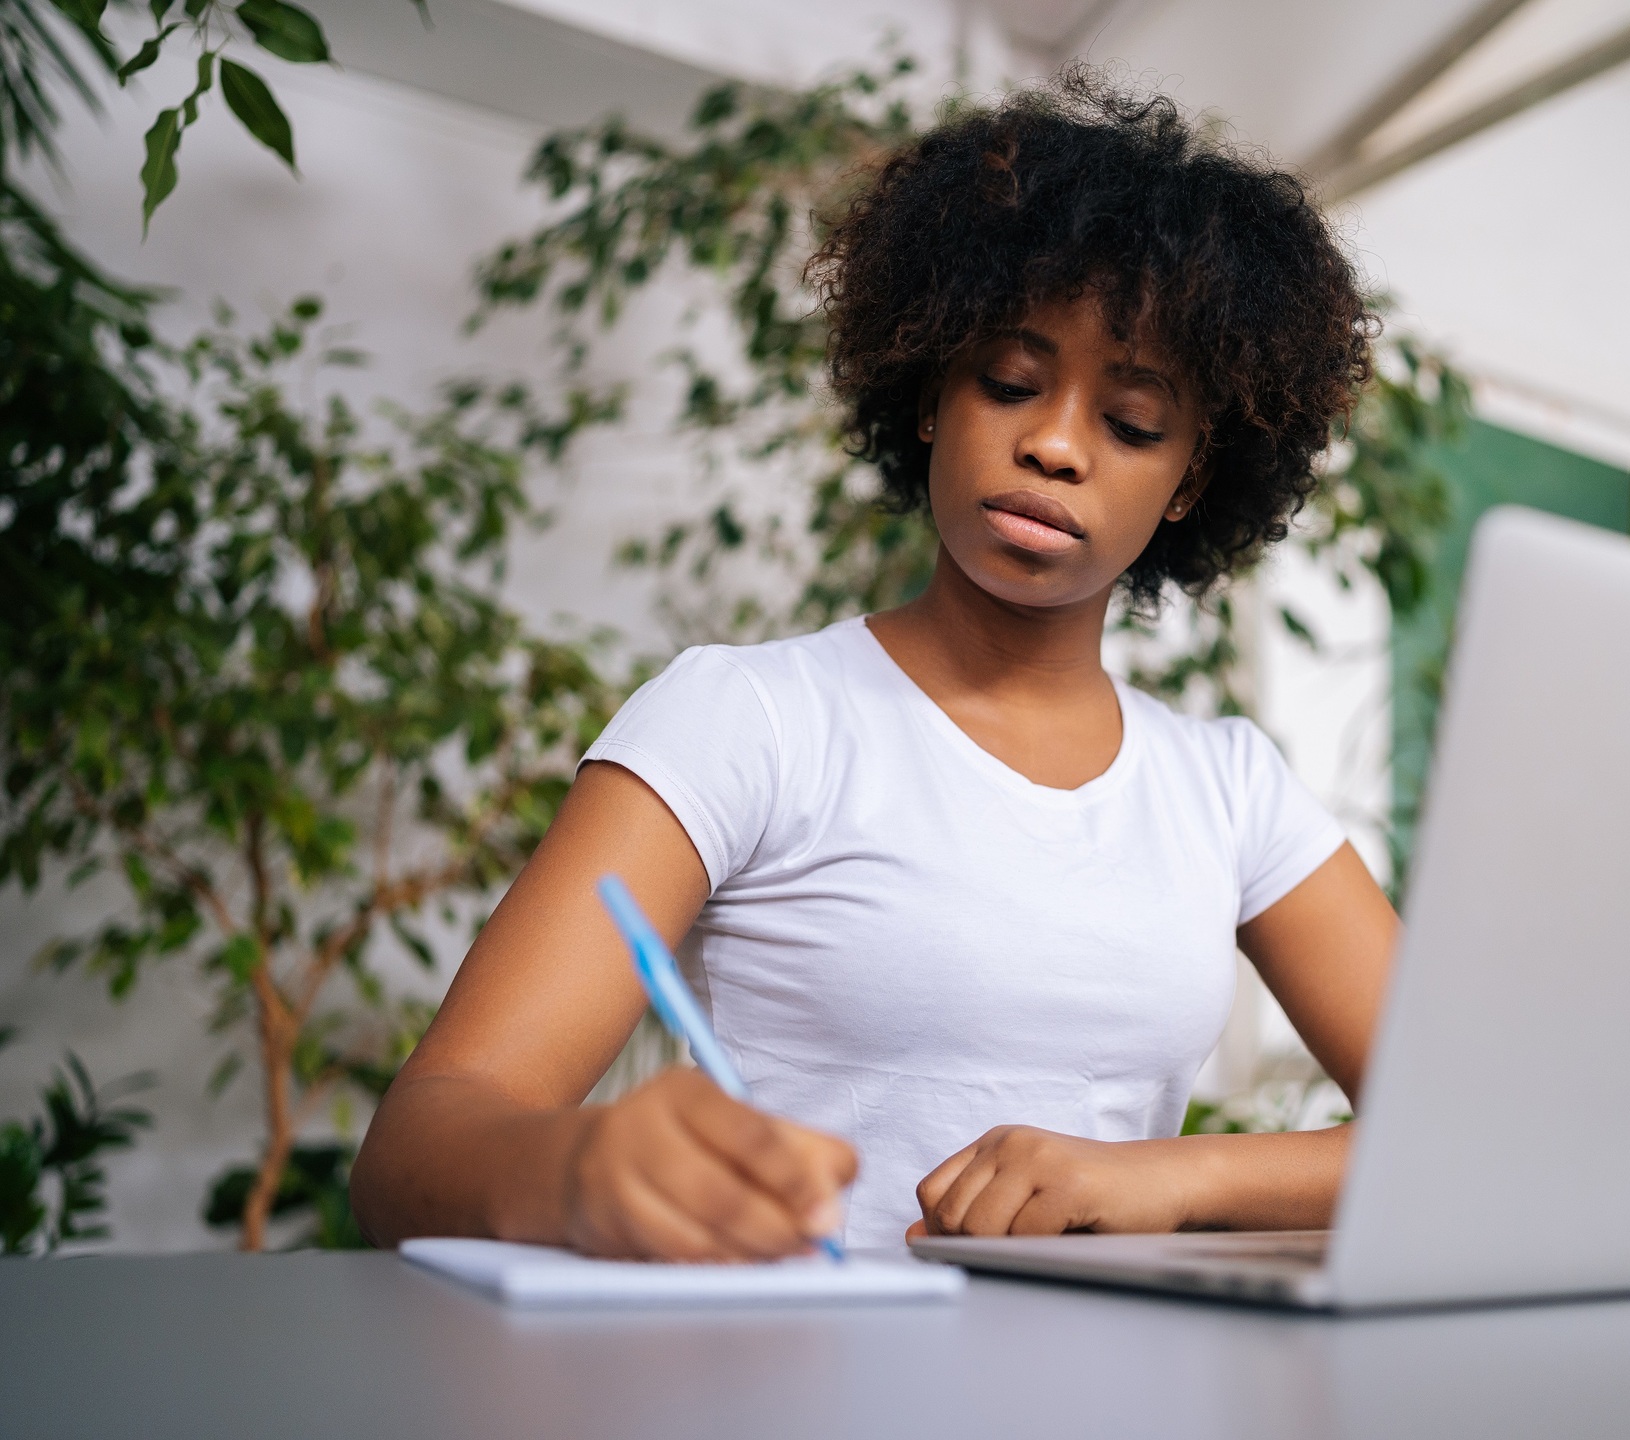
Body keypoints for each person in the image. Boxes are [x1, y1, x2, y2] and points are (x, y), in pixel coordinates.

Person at [349, 73, 1398, 1259]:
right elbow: (412, 1156)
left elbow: (1463, 1138)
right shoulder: (747, 720)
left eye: (1133, 423)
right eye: (1008, 382)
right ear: (928, 398)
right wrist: (576, 1165)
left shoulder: (1227, 790)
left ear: (1192, 482)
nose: (1053, 444)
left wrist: (1171, 1179)